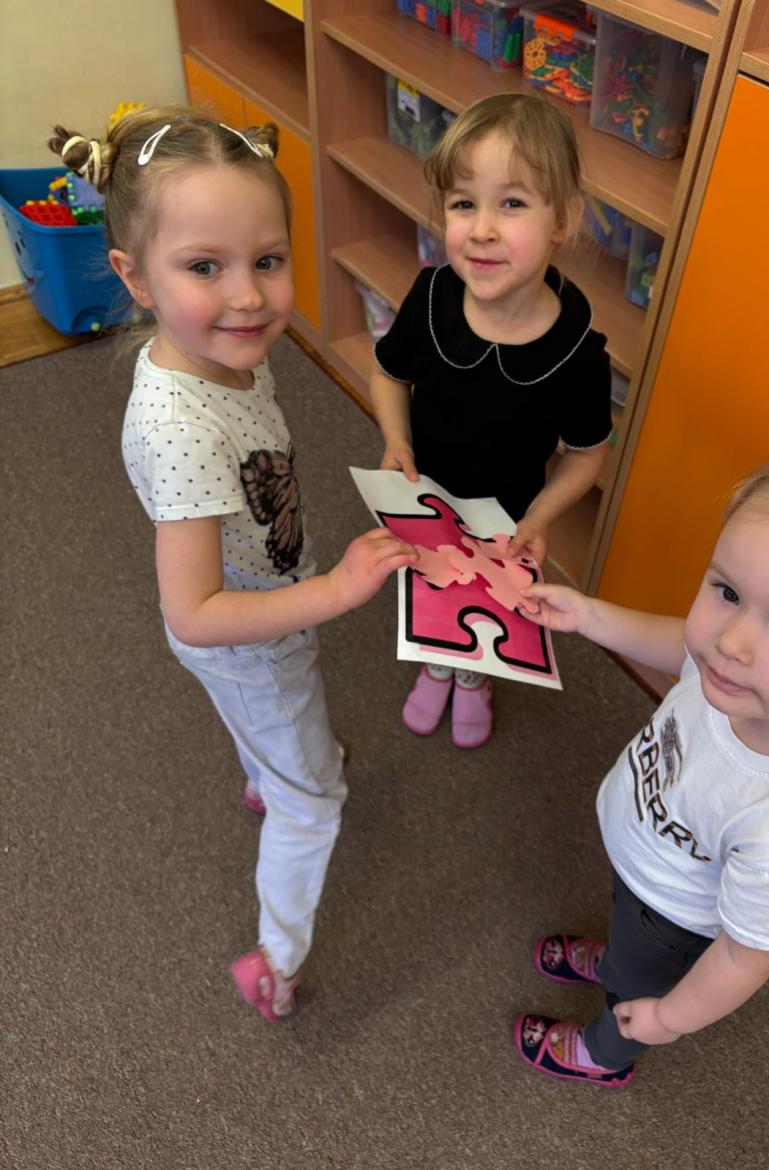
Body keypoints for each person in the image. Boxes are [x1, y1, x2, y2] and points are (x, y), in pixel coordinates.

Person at [48, 108, 416, 1023]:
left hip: (260, 619)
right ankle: (274, 958)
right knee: (314, 801)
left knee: (272, 728)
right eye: (205, 267)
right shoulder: (178, 427)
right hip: (249, 641)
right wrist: (334, 591)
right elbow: (195, 613)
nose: (249, 296)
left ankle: (265, 769)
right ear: (135, 277)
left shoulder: (225, 355)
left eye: (268, 259)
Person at [512, 450, 769, 1086]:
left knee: (635, 994)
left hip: (674, 921)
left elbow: (745, 956)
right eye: (729, 592)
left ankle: (603, 1055)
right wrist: (591, 616)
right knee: (629, 944)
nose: (730, 642)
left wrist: (669, 1018)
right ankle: (619, 961)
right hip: (646, 874)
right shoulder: (740, 678)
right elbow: (679, 646)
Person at [370, 92, 612, 749]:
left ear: (563, 220)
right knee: (431, 589)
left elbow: (587, 453)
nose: (480, 229)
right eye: (462, 203)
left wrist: (541, 517)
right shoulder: (431, 297)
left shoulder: (578, 352)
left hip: (507, 523)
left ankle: (473, 676)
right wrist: (395, 439)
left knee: (487, 603)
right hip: (425, 500)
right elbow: (389, 374)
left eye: (512, 203)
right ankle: (436, 662)